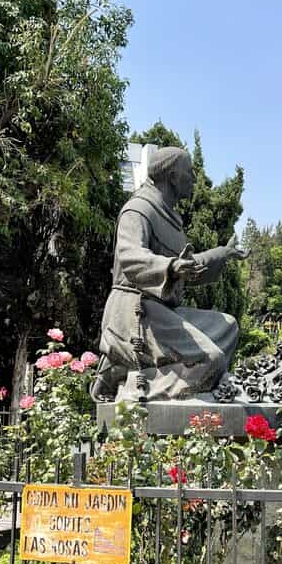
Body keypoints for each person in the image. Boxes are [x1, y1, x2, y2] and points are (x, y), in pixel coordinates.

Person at [95, 147, 245, 401]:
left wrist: (222, 253)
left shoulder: (169, 215)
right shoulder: (139, 209)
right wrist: (169, 267)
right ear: (173, 176)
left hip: (164, 312)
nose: (194, 180)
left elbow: (186, 265)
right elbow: (131, 256)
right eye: (190, 173)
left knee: (228, 326)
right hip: (135, 311)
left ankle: (168, 381)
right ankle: (134, 385)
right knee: (212, 359)